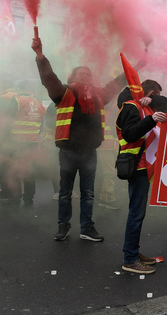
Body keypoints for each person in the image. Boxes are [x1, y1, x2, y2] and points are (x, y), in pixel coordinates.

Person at [31, 36, 126, 242]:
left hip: (90, 151)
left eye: (89, 74)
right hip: (68, 151)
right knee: (65, 193)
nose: (87, 76)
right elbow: (49, 78)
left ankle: (86, 227)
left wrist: (132, 67)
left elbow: (116, 83)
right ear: (72, 77)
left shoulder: (98, 95)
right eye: (82, 74)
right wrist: (40, 55)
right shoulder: (63, 92)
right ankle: (63, 226)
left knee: (88, 193)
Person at [117, 80, 167, 274]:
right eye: (156, 94)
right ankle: (130, 258)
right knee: (136, 213)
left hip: (143, 165)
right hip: (137, 165)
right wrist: (151, 120)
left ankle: (133, 252)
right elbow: (130, 134)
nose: (157, 101)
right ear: (149, 91)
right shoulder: (132, 107)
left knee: (138, 212)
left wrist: (151, 104)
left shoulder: (143, 107)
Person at [2, 90, 45, 206]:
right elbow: (42, 123)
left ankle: (15, 197)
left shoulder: (17, 101)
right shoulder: (37, 102)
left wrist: (4, 139)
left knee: (15, 168)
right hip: (33, 141)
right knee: (29, 169)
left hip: (17, 141)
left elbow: (7, 121)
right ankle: (29, 197)